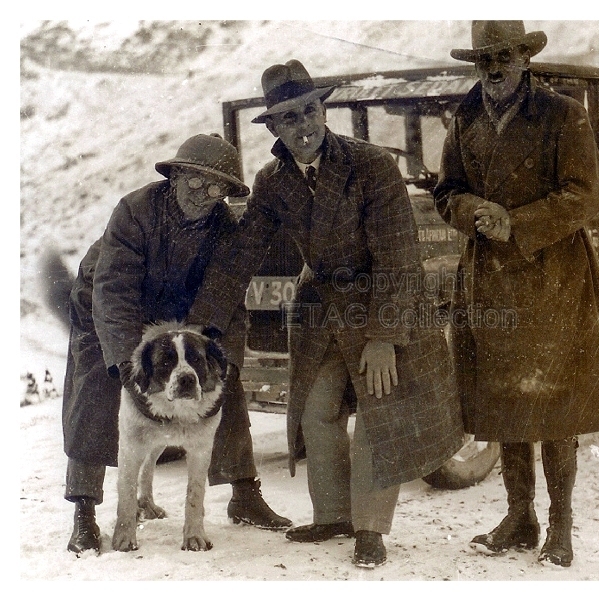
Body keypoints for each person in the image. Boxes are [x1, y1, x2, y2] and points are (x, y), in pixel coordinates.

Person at [186, 60, 463, 568]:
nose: (304, 125)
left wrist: (384, 338)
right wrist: (199, 324)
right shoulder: (272, 181)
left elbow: (399, 259)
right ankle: (334, 515)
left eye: (309, 110)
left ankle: (370, 529)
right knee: (316, 412)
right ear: (273, 127)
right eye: (288, 118)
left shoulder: (372, 165)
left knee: (381, 415)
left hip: (385, 305)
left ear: (322, 108)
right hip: (321, 312)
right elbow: (241, 257)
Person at [434, 21, 599, 568]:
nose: (493, 69)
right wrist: (475, 214)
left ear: (524, 58)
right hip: (489, 278)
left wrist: (516, 223)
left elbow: (586, 195)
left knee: (554, 406)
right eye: (483, 60)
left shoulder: (564, 114)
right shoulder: (466, 115)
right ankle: (521, 518)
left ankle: (560, 528)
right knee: (502, 400)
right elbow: (445, 191)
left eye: (503, 57)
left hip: (553, 276)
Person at [62, 133, 293, 555]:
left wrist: (221, 365)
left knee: (222, 382)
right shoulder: (135, 211)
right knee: (96, 387)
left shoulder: (223, 226)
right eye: (193, 180)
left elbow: (224, 298)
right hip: (105, 302)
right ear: (175, 175)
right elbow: (114, 294)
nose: (202, 193)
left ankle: (244, 493)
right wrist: (130, 368)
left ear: (226, 193)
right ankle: (84, 512)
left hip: (177, 314)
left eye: (216, 186)